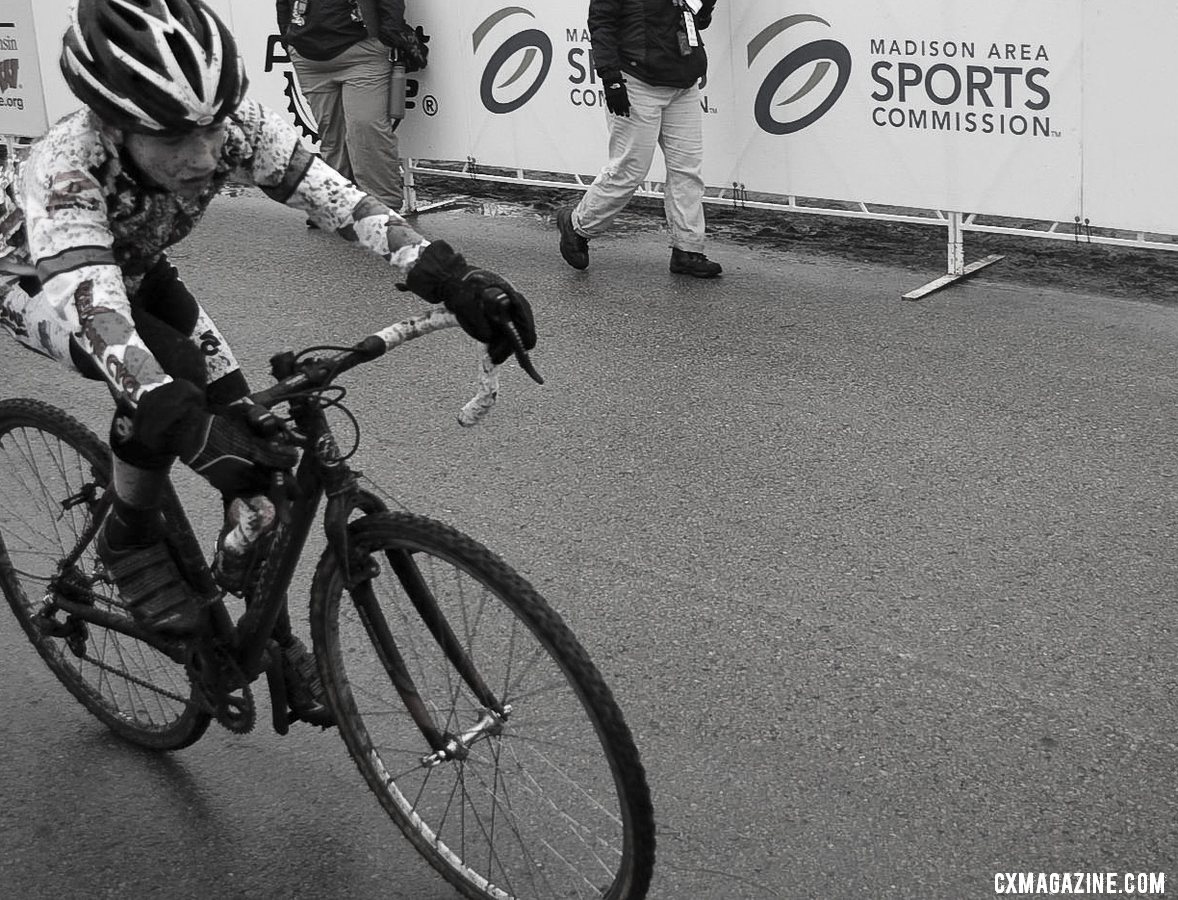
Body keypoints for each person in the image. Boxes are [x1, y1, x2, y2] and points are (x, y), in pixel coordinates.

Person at [0, 0, 534, 726]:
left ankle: (258, 630)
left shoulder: (230, 128)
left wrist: (448, 274)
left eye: (211, 128)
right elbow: (96, 315)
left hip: (137, 262)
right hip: (41, 282)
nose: (202, 155)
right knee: (172, 387)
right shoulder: (67, 170)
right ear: (116, 127)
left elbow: (339, 199)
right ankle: (128, 536)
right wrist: (176, 417)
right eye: (173, 138)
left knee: (252, 429)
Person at [556, 0, 721, 278]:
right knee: (629, 170)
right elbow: (601, 24)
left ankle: (688, 249)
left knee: (687, 170)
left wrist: (707, 6)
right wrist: (611, 79)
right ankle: (577, 225)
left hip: (683, 81)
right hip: (636, 81)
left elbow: (698, 22)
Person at [276, 0, 428, 212]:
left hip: (363, 54)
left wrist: (385, 37)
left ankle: (381, 206)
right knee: (332, 136)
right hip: (308, 58)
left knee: (366, 129)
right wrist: (288, 39)